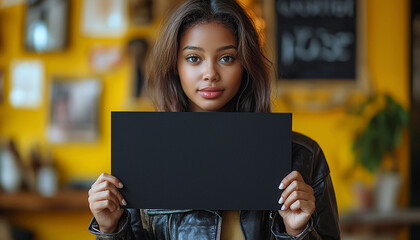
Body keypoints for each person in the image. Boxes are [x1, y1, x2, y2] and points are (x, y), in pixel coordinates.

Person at [88, 0, 340, 239]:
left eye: (226, 58)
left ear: (246, 64)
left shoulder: (303, 156)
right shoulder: (142, 152)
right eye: (194, 58)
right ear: (175, 65)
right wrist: (109, 227)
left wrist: (297, 232)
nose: (210, 73)